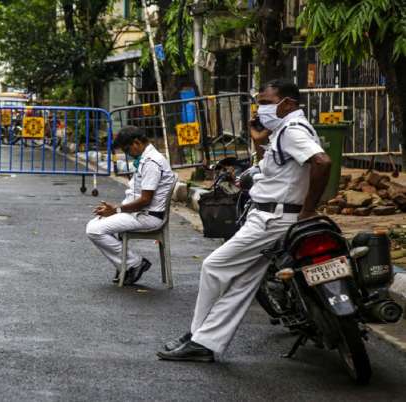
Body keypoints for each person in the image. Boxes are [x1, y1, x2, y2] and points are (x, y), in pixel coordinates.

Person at [157, 79, 332, 362]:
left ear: (287, 104)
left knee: (214, 267)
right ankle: (204, 340)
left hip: (273, 219)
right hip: (271, 215)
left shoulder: (292, 131)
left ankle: (197, 335)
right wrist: (259, 142)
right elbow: (277, 169)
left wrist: (309, 209)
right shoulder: (283, 131)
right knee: (244, 284)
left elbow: (322, 162)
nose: (259, 109)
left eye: (265, 103)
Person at [86, 126, 177, 285]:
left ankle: (134, 263)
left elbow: (145, 200)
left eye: (127, 150)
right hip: (139, 212)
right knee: (95, 224)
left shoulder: (152, 162)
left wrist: (117, 210)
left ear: (136, 143)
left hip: (148, 216)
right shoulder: (145, 158)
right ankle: (125, 265)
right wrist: (114, 210)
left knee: (94, 230)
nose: (128, 154)